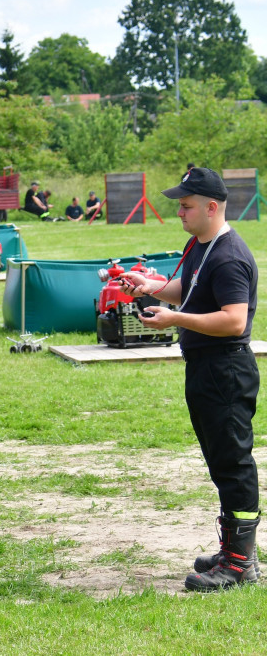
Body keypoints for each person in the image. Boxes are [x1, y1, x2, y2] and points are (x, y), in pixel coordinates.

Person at [119, 167, 259, 592]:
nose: (178, 211)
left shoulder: (229, 255)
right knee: (220, 461)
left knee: (233, 464)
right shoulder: (202, 245)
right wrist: (152, 286)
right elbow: (191, 288)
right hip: (205, 367)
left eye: (186, 205)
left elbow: (234, 321)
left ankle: (240, 564)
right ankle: (235, 551)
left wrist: (174, 320)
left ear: (212, 207)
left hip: (225, 370)